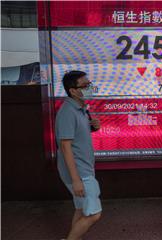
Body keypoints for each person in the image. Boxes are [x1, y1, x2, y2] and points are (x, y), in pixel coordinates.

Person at [55, 70, 101, 240]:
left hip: (83, 169)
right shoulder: (68, 111)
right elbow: (65, 147)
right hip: (80, 173)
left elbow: (75, 136)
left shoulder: (80, 109)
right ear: (73, 90)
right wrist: (76, 180)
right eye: (85, 85)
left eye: (89, 84)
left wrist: (92, 126)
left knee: (81, 209)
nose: (89, 88)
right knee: (93, 214)